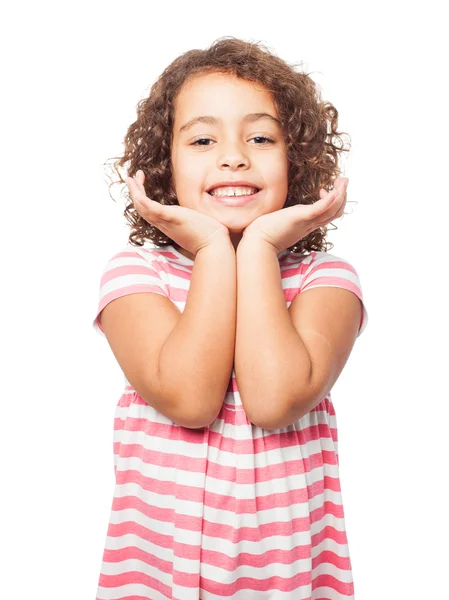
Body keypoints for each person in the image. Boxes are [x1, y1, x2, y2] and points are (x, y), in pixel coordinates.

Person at [92, 36, 369, 600]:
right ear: (164, 167)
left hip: (285, 583)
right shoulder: (135, 276)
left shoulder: (326, 280)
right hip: (156, 582)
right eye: (202, 139)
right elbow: (190, 400)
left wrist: (261, 247)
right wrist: (216, 251)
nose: (234, 156)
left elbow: (275, 401)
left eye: (261, 137)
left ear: (299, 160)